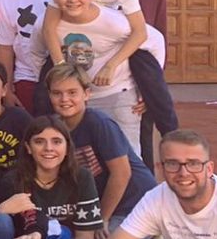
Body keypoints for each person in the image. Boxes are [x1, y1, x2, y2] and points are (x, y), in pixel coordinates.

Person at [0, 116, 125, 239]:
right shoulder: (13, 181)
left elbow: (85, 236)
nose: (48, 148)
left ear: (67, 147)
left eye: (57, 141)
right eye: (39, 142)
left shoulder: (81, 176)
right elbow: (9, 236)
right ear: (28, 148)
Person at [44, 0, 142, 152]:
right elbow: (35, 55)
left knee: (127, 153)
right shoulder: (47, 25)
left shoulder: (116, 23)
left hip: (115, 95)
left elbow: (148, 38)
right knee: (76, 155)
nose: (73, 0)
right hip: (71, 101)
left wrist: (113, 67)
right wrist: (59, 72)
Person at [44, 63, 157, 226]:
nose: (64, 99)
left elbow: (121, 173)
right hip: (99, 204)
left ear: (86, 94)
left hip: (134, 203)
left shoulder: (99, 123)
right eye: (57, 93)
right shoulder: (53, 127)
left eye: (72, 92)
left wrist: (102, 219)